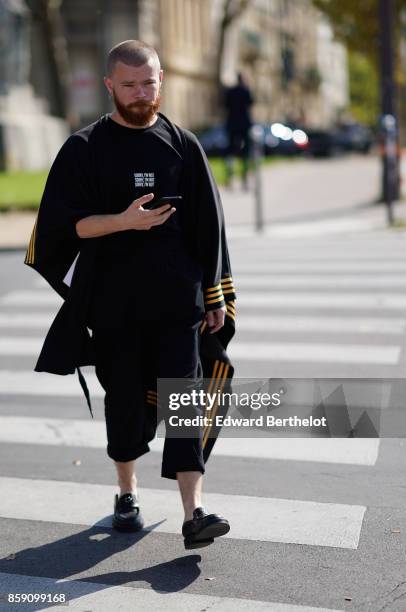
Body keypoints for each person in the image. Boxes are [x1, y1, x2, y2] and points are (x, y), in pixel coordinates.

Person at [24, 40, 236, 550]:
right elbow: (59, 228)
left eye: (150, 83)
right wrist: (122, 222)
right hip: (114, 307)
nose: (142, 94)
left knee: (185, 400)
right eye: (130, 85)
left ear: (161, 80)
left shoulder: (183, 144)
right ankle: (126, 493)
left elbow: (211, 226)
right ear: (109, 86)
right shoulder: (85, 147)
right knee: (123, 405)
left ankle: (195, 511)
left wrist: (215, 297)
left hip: (177, 304)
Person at [224, 72, 254, 189]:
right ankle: (244, 178)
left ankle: (229, 177)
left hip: (232, 123)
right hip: (244, 124)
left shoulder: (230, 91)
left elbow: (226, 105)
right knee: (246, 151)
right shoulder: (246, 90)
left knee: (230, 150)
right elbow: (251, 103)